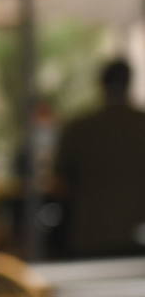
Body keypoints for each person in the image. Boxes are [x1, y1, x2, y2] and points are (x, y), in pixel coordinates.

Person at [53, 59, 145, 259]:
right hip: (135, 232)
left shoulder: (80, 128)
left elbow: (60, 180)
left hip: (91, 233)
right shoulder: (139, 125)